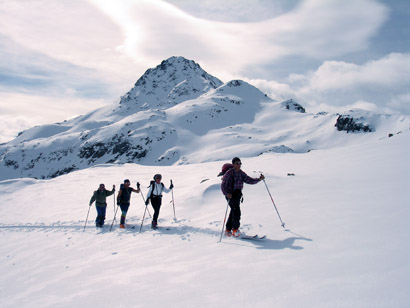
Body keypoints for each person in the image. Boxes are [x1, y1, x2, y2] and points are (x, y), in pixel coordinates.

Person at [221, 157, 264, 237]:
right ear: (233, 164)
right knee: (236, 211)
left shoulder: (241, 173)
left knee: (233, 211)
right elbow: (223, 185)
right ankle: (235, 230)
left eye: (240, 163)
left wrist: (259, 179)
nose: (239, 165)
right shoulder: (229, 173)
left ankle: (228, 230)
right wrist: (226, 194)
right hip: (230, 194)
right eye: (237, 163)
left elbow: (249, 180)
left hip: (237, 194)